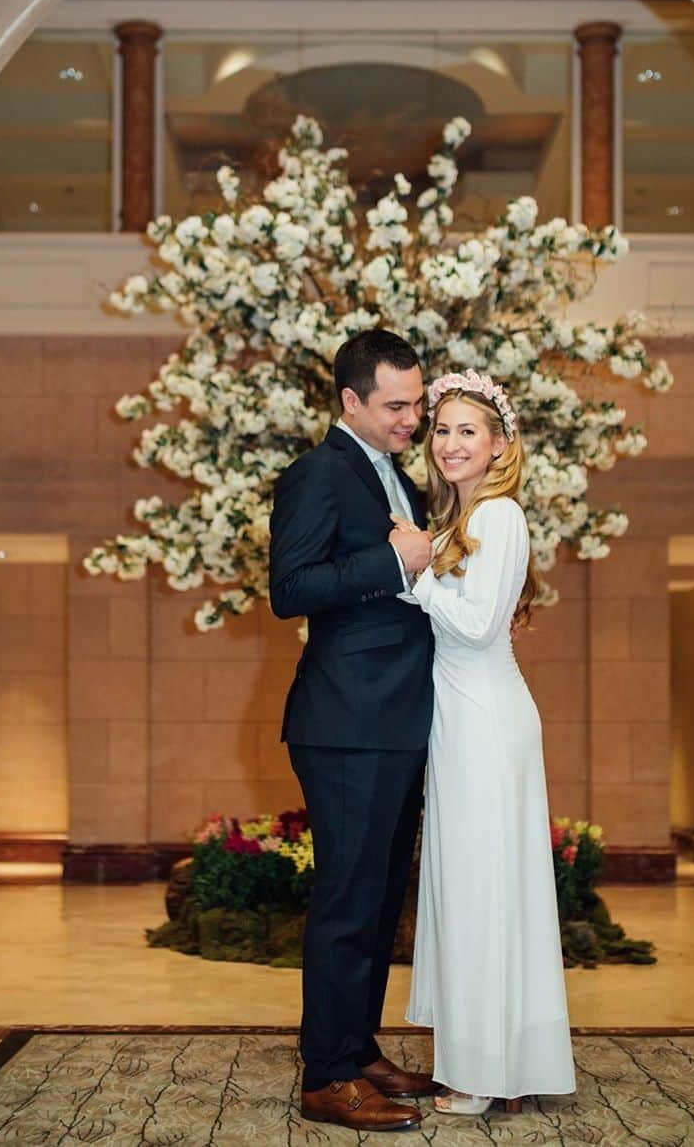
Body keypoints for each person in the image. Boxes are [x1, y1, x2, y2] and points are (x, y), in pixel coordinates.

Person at [268, 328, 440, 1133]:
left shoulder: (395, 474)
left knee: (375, 902)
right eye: (397, 405)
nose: (415, 417)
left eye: (417, 401)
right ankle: (326, 1074)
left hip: (398, 718)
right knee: (345, 899)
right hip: (346, 722)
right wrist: (394, 559)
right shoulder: (319, 473)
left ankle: (356, 1045)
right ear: (351, 402)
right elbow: (291, 587)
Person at [395, 369, 577, 1114]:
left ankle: (482, 1072)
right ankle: (488, 1056)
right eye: (441, 429)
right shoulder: (459, 523)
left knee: (481, 891)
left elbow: (473, 626)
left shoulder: (500, 516)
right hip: (460, 718)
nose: (449, 442)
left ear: (500, 443)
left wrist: (415, 566)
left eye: (468, 430)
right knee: (471, 890)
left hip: (488, 717)